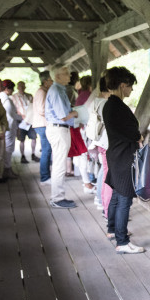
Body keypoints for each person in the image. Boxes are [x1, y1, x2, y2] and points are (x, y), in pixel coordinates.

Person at [103, 66, 145, 254]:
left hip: (115, 154)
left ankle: (113, 229)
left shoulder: (110, 104)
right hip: (123, 157)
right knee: (124, 199)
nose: (131, 90)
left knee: (116, 195)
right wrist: (137, 136)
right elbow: (131, 132)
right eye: (129, 86)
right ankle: (122, 241)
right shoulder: (117, 106)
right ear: (122, 85)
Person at [45, 65, 78, 209]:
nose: (69, 76)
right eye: (66, 73)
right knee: (59, 165)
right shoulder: (57, 91)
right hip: (58, 129)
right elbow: (63, 116)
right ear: (57, 76)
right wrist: (77, 113)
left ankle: (58, 196)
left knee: (59, 164)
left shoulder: (59, 89)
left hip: (58, 129)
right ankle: (57, 198)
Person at [88, 76, 112, 216]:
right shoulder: (105, 103)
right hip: (106, 142)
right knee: (106, 175)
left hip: (99, 141)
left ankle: (101, 200)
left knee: (103, 172)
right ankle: (106, 206)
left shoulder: (96, 101)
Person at [68, 75, 94, 194]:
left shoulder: (80, 95)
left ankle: (86, 180)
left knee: (82, 154)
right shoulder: (88, 96)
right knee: (84, 154)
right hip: (84, 128)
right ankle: (87, 182)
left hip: (78, 127)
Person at [33, 71, 54, 184]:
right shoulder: (41, 92)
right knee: (46, 150)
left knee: (47, 150)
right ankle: (45, 177)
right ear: (45, 81)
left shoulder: (43, 91)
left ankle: (46, 175)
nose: (53, 82)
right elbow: (42, 110)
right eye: (51, 80)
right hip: (42, 124)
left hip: (42, 124)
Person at [12, 81, 39, 163]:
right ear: (17, 87)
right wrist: (20, 116)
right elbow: (13, 109)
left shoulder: (29, 96)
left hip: (30, 121)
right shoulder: (14, 97)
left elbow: (33, 107)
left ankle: (33, 154)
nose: (22, 88)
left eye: (23, 86)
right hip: (21, 121)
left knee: (33, 138)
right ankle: (22, 156)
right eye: (20, 86)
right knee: (21, 139)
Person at [0, 79, 20, 179]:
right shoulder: (6, 100)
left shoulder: (3, 98)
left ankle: (8, 168)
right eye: (12, 89)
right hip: (9, 127)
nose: (13, 91)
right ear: (7, 89)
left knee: (8, 149)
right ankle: (7, 169)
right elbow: (10, 116)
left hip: (8, 127)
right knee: (8, 149)